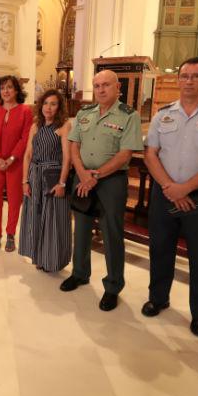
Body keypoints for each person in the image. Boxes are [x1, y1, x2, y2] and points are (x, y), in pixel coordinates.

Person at [142, 57, 198, 337]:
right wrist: (171, 186)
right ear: (178, 80)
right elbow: (150, 154)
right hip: (164, 192)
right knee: (160, 250)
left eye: (196, 76)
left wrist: (186, 188)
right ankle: (158, 298)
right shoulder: (163, 114)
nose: (189, 81)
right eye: (185, 76)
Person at [59, 69, 143, 312]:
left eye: (106, 85)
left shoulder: (129, 116)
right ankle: (80, 273)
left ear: (118, 88)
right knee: (82, 229)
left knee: (112, 234)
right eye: (97, 86)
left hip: (111, 182)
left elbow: (125, 153)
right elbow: (74, 146)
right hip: (83, 177)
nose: (101, 90)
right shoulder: (85, 113)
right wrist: (83, 174)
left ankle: (113, 286)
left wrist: (95, 176)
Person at [19, 89, 72, 272]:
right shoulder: (35, 125)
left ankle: (52, 259)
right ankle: (38, 256)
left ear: (59, 107)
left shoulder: (64, 126)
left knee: (53, 220)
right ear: (41, 105)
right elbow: (27, 155)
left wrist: (62, 183)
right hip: (34, 176)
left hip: (52, 177)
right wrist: (25, 181)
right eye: (46, 103)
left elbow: (67, 158)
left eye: (53, 104)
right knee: (35, 217)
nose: (48, 108)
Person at [0, 75, 32, 253]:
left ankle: (10, 234)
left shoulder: (25, 111)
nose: (6, 91)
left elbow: (25, 138)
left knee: (15, 199)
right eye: (3, 88)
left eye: (9, 87)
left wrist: (11, 159)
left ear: (16, 90)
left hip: (15, 163)